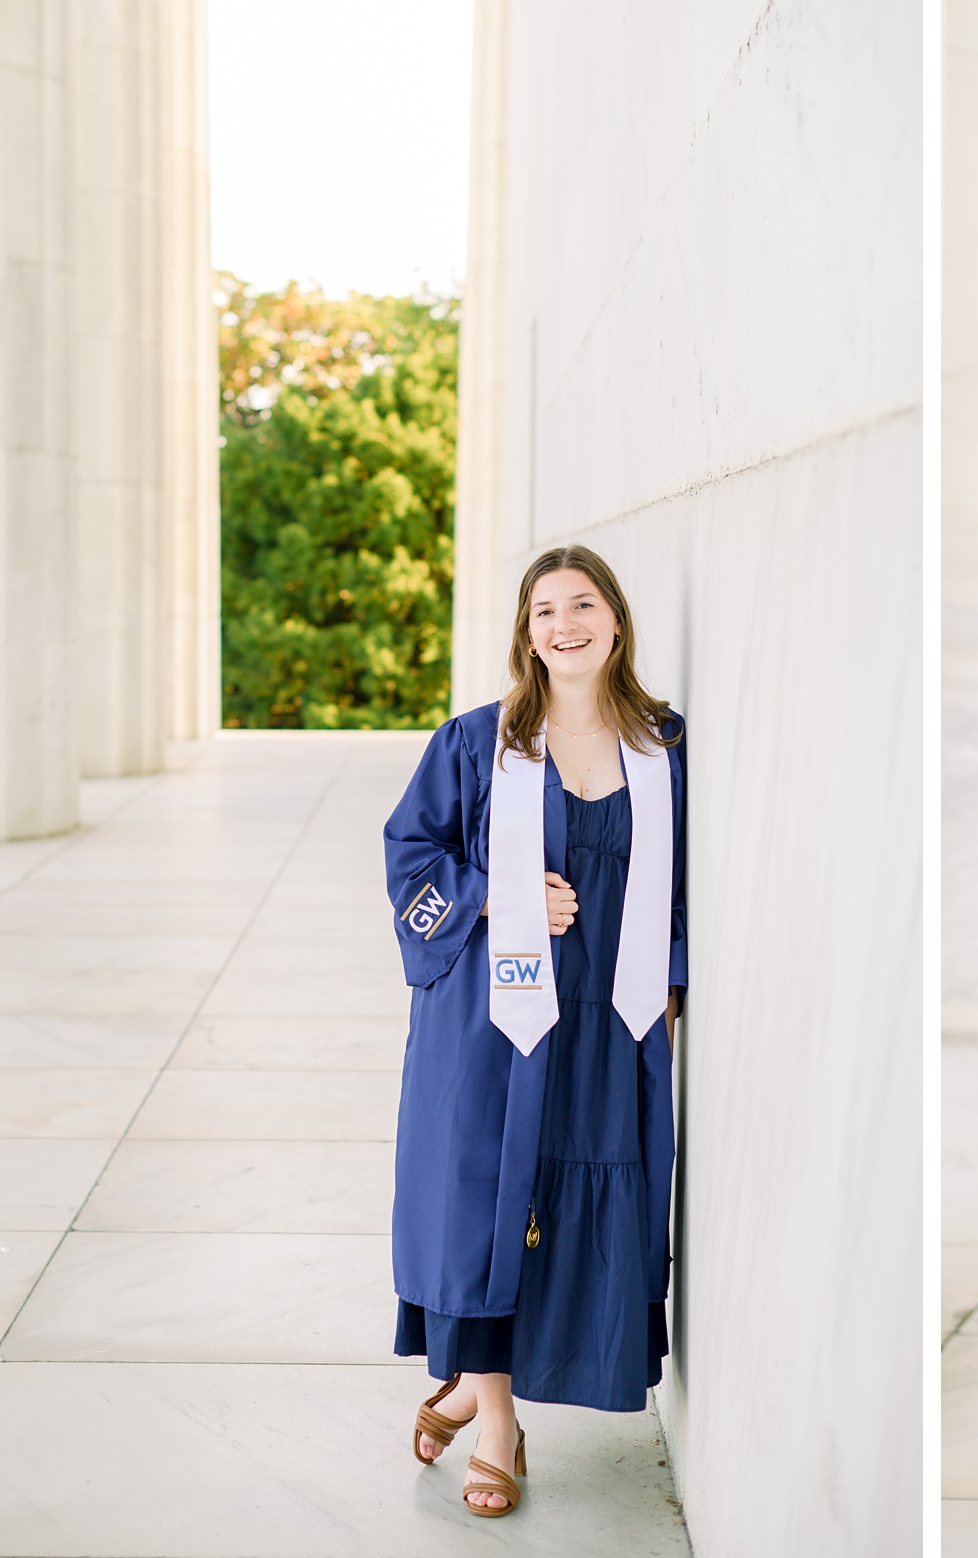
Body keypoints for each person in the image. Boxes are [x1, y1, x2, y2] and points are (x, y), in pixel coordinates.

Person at [381, 545, 686, 1517]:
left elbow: (692, 881)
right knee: (489, 1201)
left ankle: (475, 1383)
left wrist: (673, 978)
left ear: (617, 620)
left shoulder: (665, 747)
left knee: (560, 1200)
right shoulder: (480, 743)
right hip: (492, 1023)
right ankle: (501, 1423)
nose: (565, 624)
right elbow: (409, 856)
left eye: (583, 604)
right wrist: (497, 895)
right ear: (526, 632)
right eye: (545, 610)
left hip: (608, 1025)